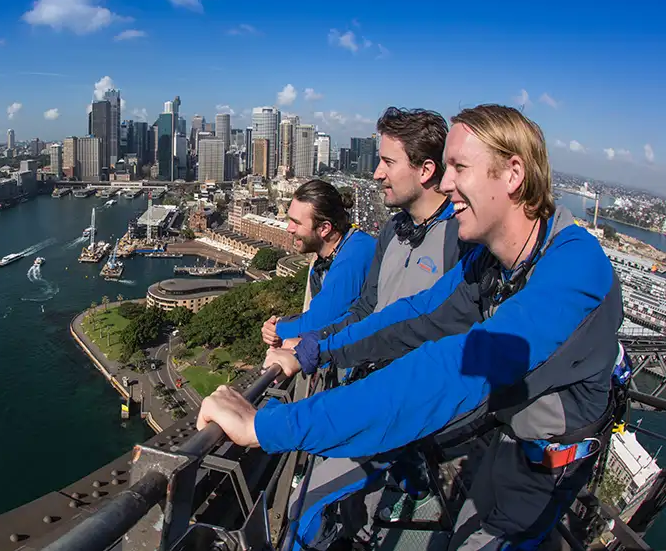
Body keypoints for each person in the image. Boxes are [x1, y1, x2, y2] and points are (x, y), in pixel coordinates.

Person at [198, 104, 623, 550]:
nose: (446, 182)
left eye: (459, 167)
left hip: (538, 481)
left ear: (513, 174)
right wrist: (314, 352)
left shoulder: (574, 271)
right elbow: (410, 318)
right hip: (494, 449)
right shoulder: (488, 263)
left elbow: (450, 369)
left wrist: (266, 426)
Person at [263, 107, 461, 353]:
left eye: (388, 162)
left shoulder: (459, 235)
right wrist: (316, 344)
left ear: (426, 170)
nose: (378, 173)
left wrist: (292, 334)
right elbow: (365, 311)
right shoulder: (393, 230)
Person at [259, 179, 376, 341]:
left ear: (325, 228)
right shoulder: (333, 254)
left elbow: (319, 322)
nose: (289, 228)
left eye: (296, 223)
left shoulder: (353, 257)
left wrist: (277, 328)